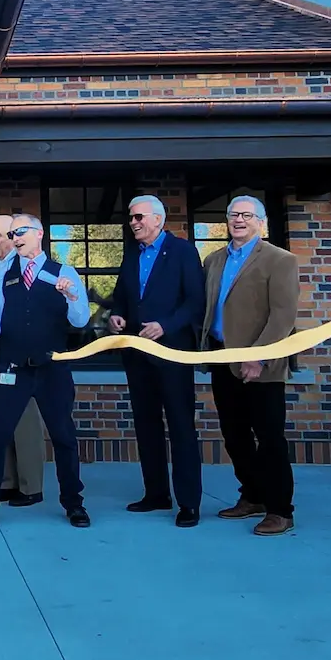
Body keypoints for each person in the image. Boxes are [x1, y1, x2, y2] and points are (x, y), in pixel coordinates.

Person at [0, 215, 92, 532]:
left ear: (38, 234)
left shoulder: (62, 273)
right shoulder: (3, 274)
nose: (14, 237)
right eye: (12, 234)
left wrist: (72, 296)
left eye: (19, 232)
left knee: (64, 437)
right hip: (12, 369)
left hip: (52, 369)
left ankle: (74, 504)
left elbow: (80, 321)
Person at [199, 195, 299, 537]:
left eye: (246, 215)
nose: (238, 219)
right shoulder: (213, 260)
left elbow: (283, 315)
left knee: (269, 437)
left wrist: (258, 355)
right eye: (233, 214)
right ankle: (252, 496)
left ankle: (280, 509)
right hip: (221, 358)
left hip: (261, 363)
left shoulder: (279, 260)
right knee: (235, 435)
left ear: (261, 221)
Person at [107, 194, 206, 527]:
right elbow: (121, 297)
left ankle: (189, 503)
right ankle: (156, 494)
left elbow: (195, 301)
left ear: (158, 220)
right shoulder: (132, 254)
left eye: (138, 217)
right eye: (131, 218)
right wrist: (116, 315)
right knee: (146, 426)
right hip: (137, 356)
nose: (132, 223)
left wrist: (166, 326)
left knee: (180, 426)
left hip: (173, 354)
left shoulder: (183, 252)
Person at [0, 214, 45, 505]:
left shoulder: (27, 268)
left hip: (22, 357)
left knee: (25, 422)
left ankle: (31, 487)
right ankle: (7, 482)